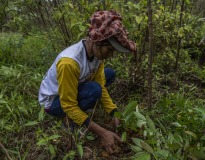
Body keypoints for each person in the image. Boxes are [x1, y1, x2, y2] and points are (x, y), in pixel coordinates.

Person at [38, 10, 137, 154]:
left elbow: (102, 85)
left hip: (73, 86)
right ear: (98, 42)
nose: (110, 55)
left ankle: (85, 105)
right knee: (94, 89)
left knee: (108, 74)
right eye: (109, 50)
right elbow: (68, 105)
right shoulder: (69, 63)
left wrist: (113, 112)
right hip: (53, 102)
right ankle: (69, 121)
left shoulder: (97, 56)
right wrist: (102, 132)